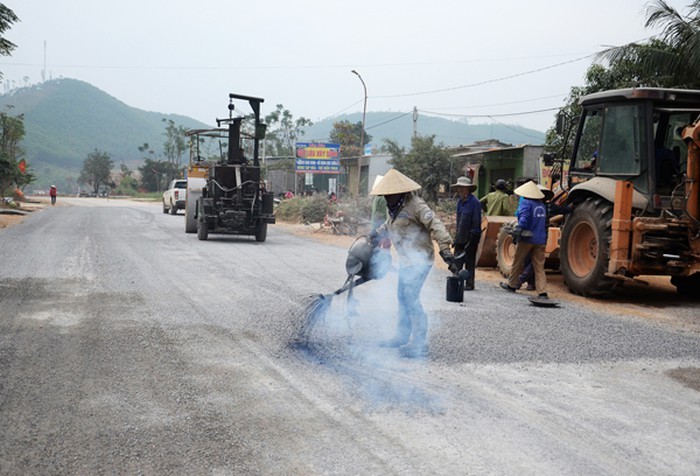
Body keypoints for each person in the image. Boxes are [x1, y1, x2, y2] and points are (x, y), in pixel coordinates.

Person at [370, 169, 454, 358]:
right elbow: (389, 224)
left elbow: (436, 224)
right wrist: (376, 233)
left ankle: (420, 343)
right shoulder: (393, 208)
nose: (386, 198)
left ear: (399, 192)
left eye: (389, 195)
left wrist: (445, 248)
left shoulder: (416, 205)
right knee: (403, 297)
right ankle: (401, 336)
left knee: (411, 298)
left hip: (420, 259)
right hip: (406, 261)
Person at [500, 180, 549, 300]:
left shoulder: (527, 203)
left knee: (517, 261)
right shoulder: (541, 205)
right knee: (539, 267)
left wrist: (518, 229)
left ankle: (512, 285)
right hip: (541, 240)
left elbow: (524, 220)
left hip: (527, 238)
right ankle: (542, 292)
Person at [451, 176, 481, 291]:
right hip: (460, 235)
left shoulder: (475, 203)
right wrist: (456, 236)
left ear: (467, 189)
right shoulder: (459, 202)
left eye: (462, 188)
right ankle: (456, 281)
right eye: (459, 188)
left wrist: (473, 238)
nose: (460, 191)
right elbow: (459, 221)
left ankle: (469, 283)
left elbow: (476, 221)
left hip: (471, 236)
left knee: (469, 261)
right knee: (457, 259)